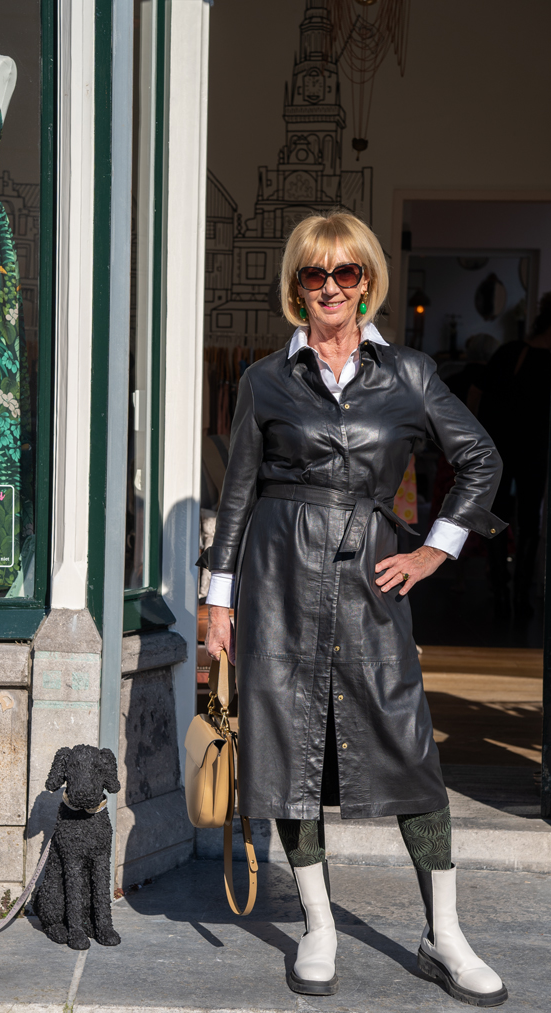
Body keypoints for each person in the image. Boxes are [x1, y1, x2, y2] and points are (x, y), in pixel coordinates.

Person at [199, 211, 508, 1005]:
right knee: (288, 752)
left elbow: (479, 459)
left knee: (410, 749)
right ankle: (319, 926)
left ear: (367, 282)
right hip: (276, 576)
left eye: (346, 274)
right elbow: (237, 494)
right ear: (296, 285)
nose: (331, 288)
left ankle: (442, 934)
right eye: (314, 274)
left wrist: (436, 548)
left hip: (371, 582)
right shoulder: (266, 379)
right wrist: (217, 599)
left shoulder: (406, 375)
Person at [478, 294, 551, 619]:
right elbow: (479, 399)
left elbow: (479, 399)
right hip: (512, 452)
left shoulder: (512, 353)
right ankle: (510, 593)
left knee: (510, 519)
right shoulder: (512, 353)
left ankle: (508, 592)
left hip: (514, 452)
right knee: (516, 521)